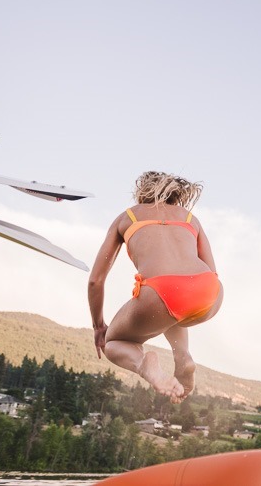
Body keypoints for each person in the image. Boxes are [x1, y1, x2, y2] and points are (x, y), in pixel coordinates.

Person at [88, 171, 223, 402]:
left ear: (142, 192)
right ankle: (183, 356)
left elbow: (95, 281)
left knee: (114, 342)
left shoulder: (127, 217)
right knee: (173, 309)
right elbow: (212, 271)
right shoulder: (191, 219)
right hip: (209, 292)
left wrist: (98, 325)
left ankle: (144, 363)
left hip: (162, 293)